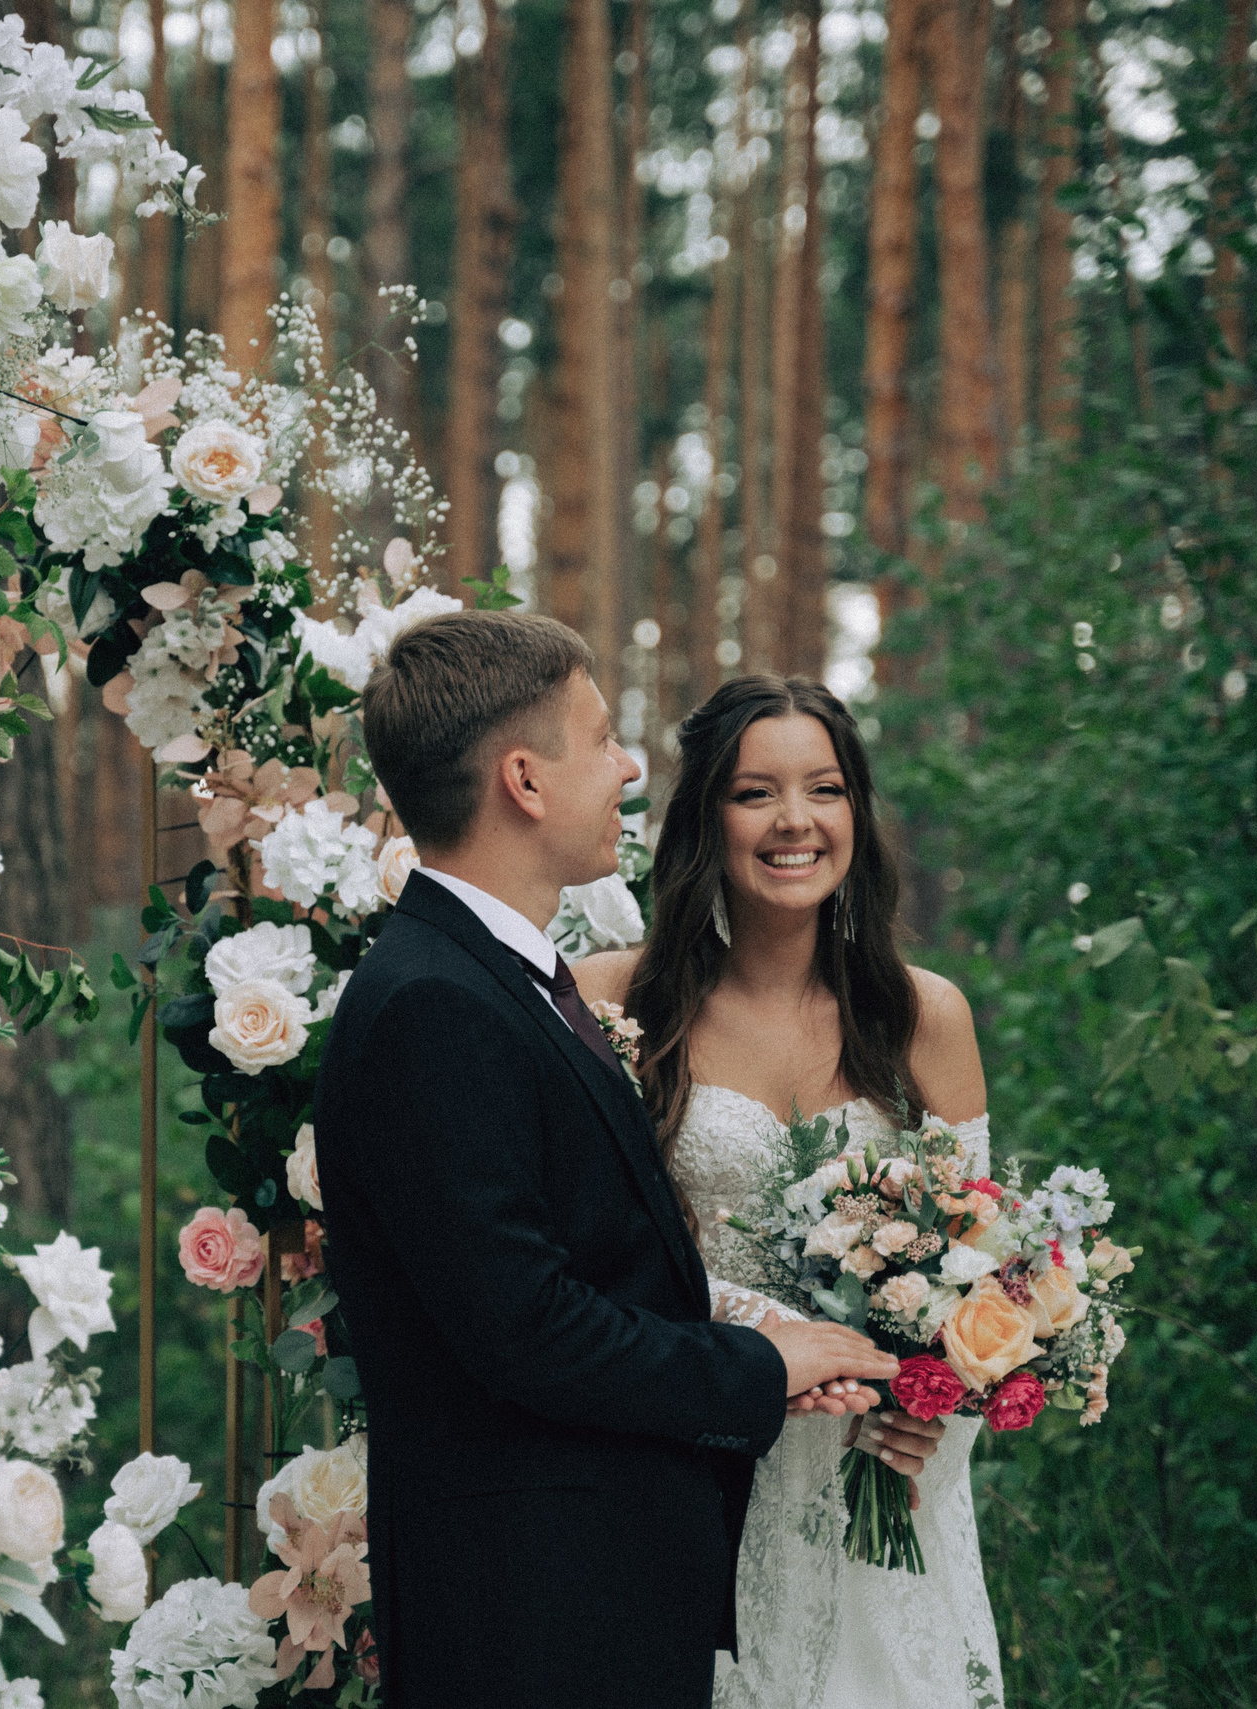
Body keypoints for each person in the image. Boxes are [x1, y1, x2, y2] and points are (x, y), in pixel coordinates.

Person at [315, 613, 903, 1708]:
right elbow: (526, 1326)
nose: (631, 765)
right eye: (600, 738)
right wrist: (760, 1366)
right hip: (528, 1616)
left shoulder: (506, 978)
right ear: (525, 780)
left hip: (594, 1595)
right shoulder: (435, 1004)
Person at [574, 674, 1004, 1709]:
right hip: (694, 1465)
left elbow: (987, 1266)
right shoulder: (612, 1001)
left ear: (856, 808)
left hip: (877, 1477)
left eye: (823, 788)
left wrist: (936, 1413)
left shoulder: (922, 1014)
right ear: (705, 819)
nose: (795, 820)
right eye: (754, 792)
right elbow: (589, 1253)